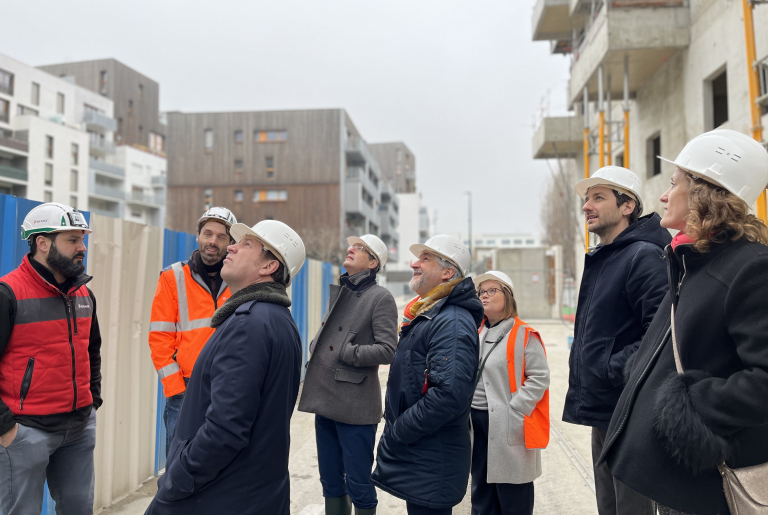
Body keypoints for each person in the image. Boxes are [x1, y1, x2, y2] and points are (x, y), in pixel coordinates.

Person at [599, 129, 768, 515]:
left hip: (703, 487)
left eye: (673, 183)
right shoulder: (690, 261)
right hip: (668, 479)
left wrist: (691, 407)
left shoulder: (750, 268)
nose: (662, 196)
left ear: (703, 193)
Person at [145, 219, 305, 514]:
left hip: (220, 496)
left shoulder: (249, 324)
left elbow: (225, 431)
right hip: (248, 493)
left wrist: (177, 479)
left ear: (268, 267)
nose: (230, 246)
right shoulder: (275, 319)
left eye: (246, 244)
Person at [564, 166, 671, 515]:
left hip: (628, 407)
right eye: (586, 199)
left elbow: (663, 331)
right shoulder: (606, 257)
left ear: (627, 206)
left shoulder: (642, 256)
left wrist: (614, 369)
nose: (587, 207)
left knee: (630, 508)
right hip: (606, 407)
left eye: (598, 197)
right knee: (609, 506)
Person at [0, 203, 102, 514]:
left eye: (82, 239)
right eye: (72, 240)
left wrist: (92, 400)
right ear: (42, 243)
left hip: (78, 429)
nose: (81, 248)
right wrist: (6, 427)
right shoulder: (8, 293)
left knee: (79, 509)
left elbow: (92, 351)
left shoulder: (84, 294)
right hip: (26, 431)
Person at [371, 235, 484, 515]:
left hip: (432, 457)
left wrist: (398, 432)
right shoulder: (433, 315)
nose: (414, 264)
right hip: (424, 455)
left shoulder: (452, 322)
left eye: (425, 259)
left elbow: (448, 396)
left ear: (447, 273)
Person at [299, 235, 398, 515]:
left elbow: (388, 349)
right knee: (330, 479)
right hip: (325, 398)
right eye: (352, 246)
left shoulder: (380, 297)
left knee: (359, 482)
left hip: (355, 404)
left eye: (360, 249)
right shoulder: (343, 291)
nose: (351, 250)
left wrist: (348, 352)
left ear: (373, 262)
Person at [148, 207, 236, 454]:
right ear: (197, 236)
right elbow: (159, 336)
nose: (212, 241)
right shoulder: (172, 277)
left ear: (231, 243)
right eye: (208, 233)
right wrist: (176, 388)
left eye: (221, 237)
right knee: (179, 466)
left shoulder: (240, 280)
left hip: (228, 386)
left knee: (222, 465)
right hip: (184, 389)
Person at [470, 271, 550, 515]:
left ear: (508, 296)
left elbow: (540, 377)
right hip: (477, 425)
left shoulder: (524, 334)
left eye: (491, 290)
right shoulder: (477, 332)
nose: (484, 295)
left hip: (508, 425)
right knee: (482, 496)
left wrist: (515, 408)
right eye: (481, 291)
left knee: (513, 498)